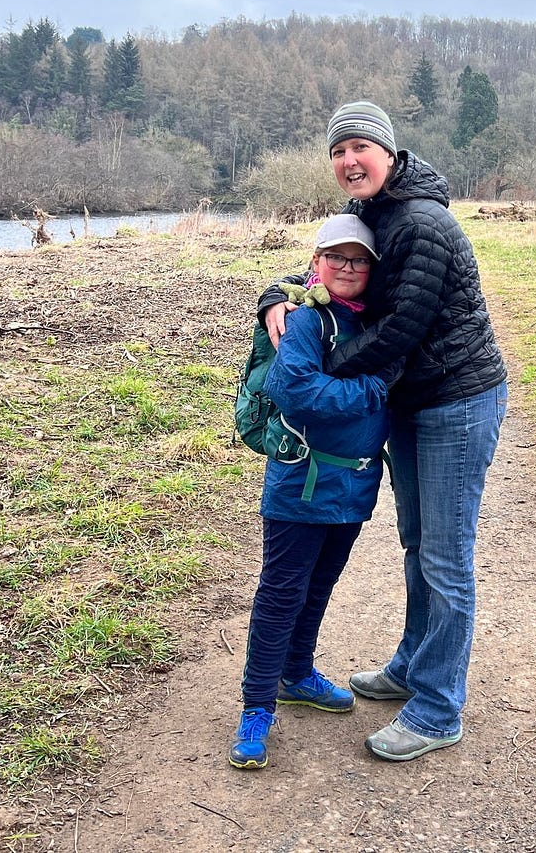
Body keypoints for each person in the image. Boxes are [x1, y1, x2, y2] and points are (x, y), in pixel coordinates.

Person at [260, 100, 508, 763]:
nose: (348, 161)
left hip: (456, 400)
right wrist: (275, 298)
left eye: (360, 147)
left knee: (445, 555)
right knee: (418, 543)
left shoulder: (421, 223)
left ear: (389, 153)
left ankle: (437, 706)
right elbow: (327, 268)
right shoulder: (375, 214)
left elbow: (400, 329)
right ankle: (411, 666)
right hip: (414, 402)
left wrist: (318, 370)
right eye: (338, 151)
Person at [230, 213, 391, 770]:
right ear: (316, 264)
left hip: (351, 485)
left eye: (359, 260)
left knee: (318, 585)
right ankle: (256, 707)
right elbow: (292, 389)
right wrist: (369, 392)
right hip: (301, 482)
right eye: (337, 258)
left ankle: (297, 674)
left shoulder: (374, 321)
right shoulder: (305, 321)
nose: (348, 267)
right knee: (280, 593)